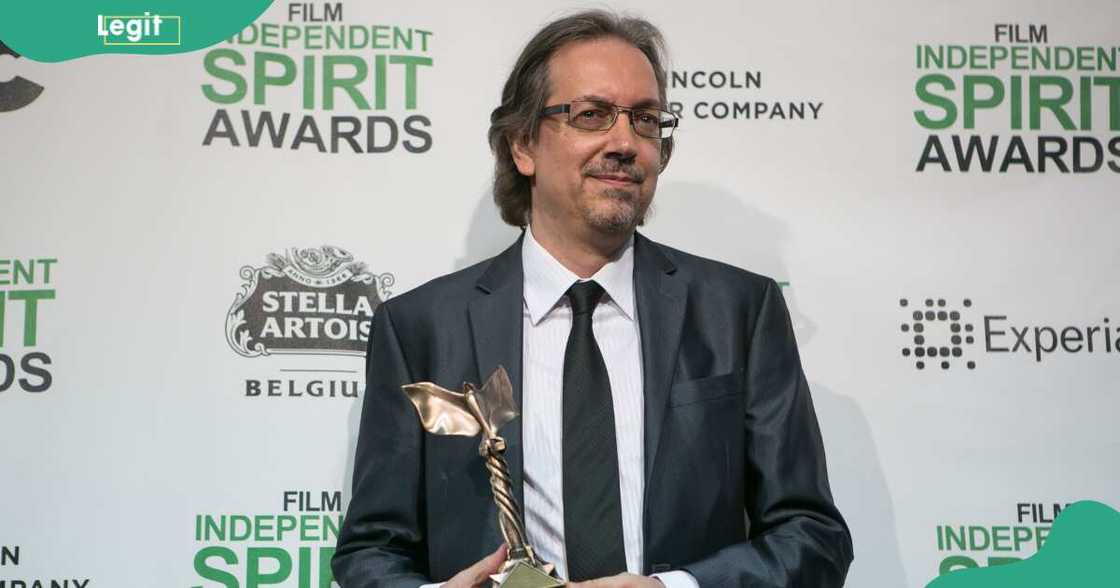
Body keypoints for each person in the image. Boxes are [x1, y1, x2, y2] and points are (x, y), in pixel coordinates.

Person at [333, 10, 852, 588]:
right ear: (523, 145)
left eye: (647, 119)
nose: (626, 142)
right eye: (592, 115)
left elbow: (813, 537)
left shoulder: (739, 312)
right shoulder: (421, 327)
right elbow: (370, 554)